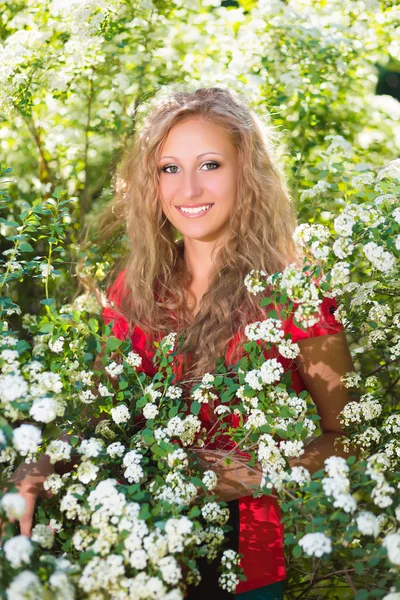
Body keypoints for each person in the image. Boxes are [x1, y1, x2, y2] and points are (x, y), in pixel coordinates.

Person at [9, 87, 356, 599]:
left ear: (248, 172)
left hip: (245, 560)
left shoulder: (294, 292)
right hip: (132, 542)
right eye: (169, 168)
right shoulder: (135, 284)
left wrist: (254, 473)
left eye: (210, 164)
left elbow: (347, 436)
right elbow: (105, 417)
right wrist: (45, 460)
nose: (188, 189)